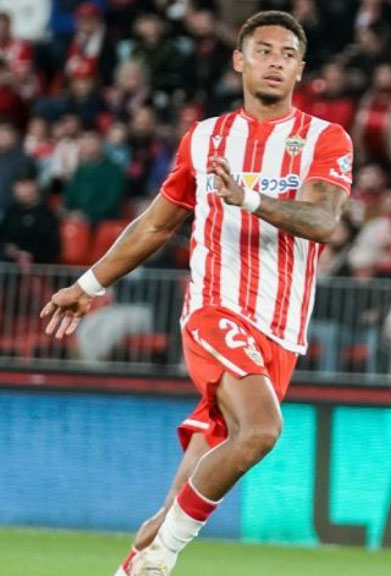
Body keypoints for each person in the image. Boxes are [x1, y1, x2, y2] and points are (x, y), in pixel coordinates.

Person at [38, 12, 354, 576]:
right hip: (215, 310)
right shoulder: (206, 138)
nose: (275, 62)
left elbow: (323, 220)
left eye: (287, 55)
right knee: (262, 430)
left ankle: (143, 557)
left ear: (301, 70)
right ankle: (165, 555)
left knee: (177, 504)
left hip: (281, 332)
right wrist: (88, 284)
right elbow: (157, 224)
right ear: (239, 60)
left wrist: (250, 200)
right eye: (264, 51)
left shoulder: (324, 139)